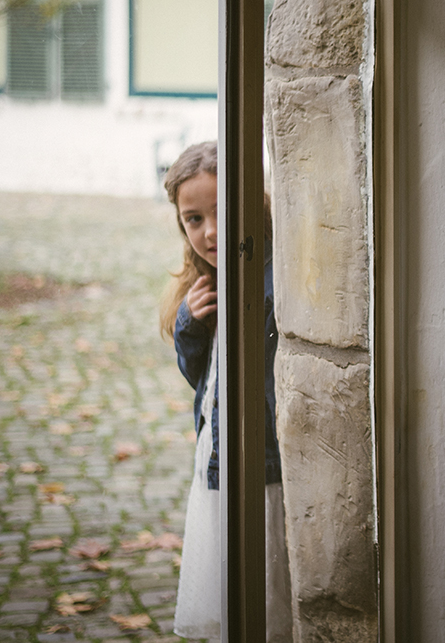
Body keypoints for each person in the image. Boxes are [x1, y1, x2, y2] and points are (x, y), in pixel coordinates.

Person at [159, 141, 293, 642]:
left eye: (220, 211)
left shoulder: (269, 280)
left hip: (263, 471)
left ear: (252, 201)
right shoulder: (210, 283)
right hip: (219, 465)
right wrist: (189, 325)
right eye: (193, 219)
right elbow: (205, 380)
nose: (209, 231)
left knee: (268, 601)